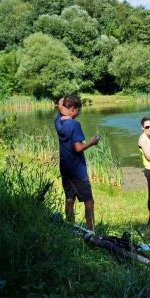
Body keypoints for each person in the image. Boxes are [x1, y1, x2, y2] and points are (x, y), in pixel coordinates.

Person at [55, 96, 99, 230]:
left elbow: (61, 108)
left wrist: (60, 106)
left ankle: (69, 226)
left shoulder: (58, 122)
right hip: (77, 169)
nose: (78, 113)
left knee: (69, 197)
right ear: (73, 109)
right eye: (77, 110)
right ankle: (90, 230)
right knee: (88, 200)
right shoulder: (74, 125)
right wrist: (92, 142)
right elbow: (78, 147)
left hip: (65, 167)